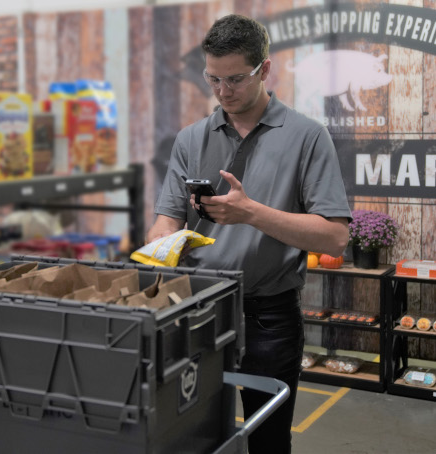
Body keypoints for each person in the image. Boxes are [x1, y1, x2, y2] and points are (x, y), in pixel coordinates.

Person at [146, 14, 351, 454]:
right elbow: (167, 218)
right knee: (190, 433)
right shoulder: (190, 139)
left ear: (265, 70)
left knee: (268, 440)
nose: (223, 92)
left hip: (268, 319)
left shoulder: (307, 137)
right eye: (213, 79)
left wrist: (251, 213)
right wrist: (153, 256)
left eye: (236, 79)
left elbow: (334, 238)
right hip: (195, 310)